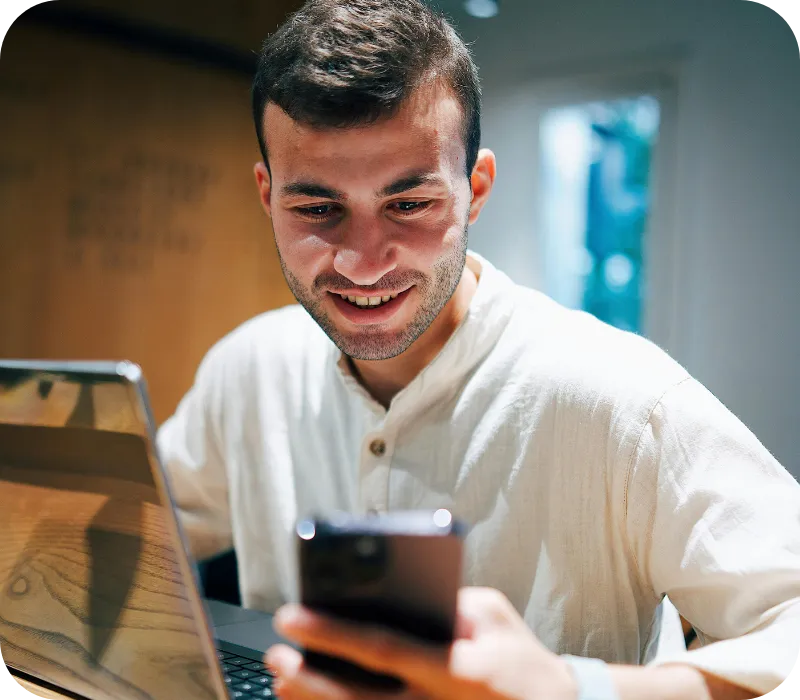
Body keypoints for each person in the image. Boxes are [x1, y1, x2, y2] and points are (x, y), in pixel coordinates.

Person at [157, 1, 800, 698]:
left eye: (409, 205)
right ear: (267, 194)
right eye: (317, 209)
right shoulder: (247, 370)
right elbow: (119, 534)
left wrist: (566, 689)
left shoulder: (623, 399)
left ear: (476, 190)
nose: (364, 264)